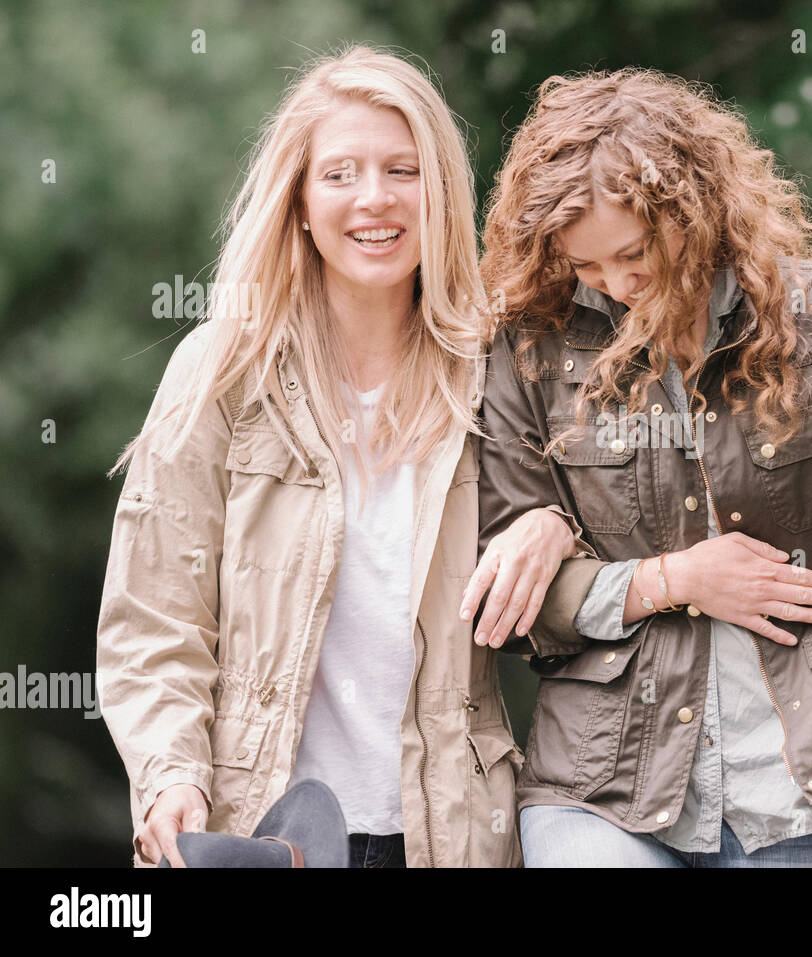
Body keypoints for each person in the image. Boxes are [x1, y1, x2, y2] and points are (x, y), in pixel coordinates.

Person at [468, 67, 812, 867]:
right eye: (586, 268)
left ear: (695, 206)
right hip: (600, 790)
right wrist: (675, 578)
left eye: (635, 254)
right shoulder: (530, 350)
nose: (616, 287)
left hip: (805, 799)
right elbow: (521, 609)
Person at [95, 45, 580, 869]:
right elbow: (155, 619)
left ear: (441, 192)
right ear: (301, 202)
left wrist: (555, 525)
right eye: (341, 173)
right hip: (260, 830)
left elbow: (587, 581)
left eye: (403, 169)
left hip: (454, 833)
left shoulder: (504, 368)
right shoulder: (222, 372)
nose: (375, 199)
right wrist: (170, 774)